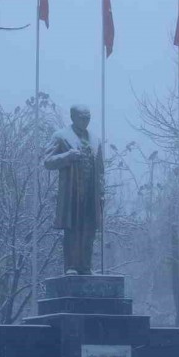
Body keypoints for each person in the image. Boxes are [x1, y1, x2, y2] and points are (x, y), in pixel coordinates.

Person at [43, 105, 104, 275]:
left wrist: (102, 194)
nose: (85, 120)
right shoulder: (61, 137)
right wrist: (67, 157)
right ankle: (71, 266)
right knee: (73, 229)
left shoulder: (95, 140)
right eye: (82, 117)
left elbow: (100, 171)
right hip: (72, 192)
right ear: (73, 117)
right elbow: (47, 161)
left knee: (89, 230)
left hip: (91, 193)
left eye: (88, 117)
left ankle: (86, 266)